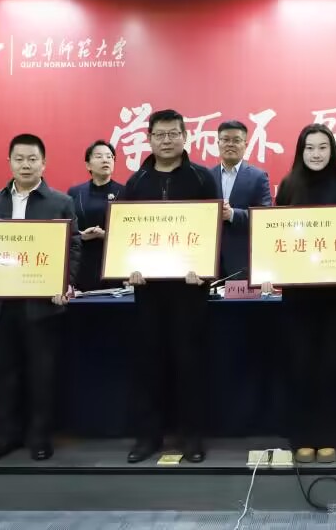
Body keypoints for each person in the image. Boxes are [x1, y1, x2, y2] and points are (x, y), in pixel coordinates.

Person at [0, 133, 80, 462]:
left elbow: (74, 247)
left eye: (32, 159)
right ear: (9, 162)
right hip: (0, 304)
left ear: (43, 163)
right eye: (19, 159)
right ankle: (5, 435)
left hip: (42, 304)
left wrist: (65, 283)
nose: (25, 165)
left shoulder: (60, 202)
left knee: (41, 371)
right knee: (1, 370)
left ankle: (39, 435)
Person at [120, 108, 221, 464]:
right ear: (149, 139)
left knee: (189, 364)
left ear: (185, 137)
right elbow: (126, 235)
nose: (166, 141)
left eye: (173, 134)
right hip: (148, 290)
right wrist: (128, 269)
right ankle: (148, 437)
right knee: (149, 365)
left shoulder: (202, 178)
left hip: (189, 289)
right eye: (159, 135)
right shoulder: (136, 182)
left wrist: (205, 270)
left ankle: (191, 437)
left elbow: (212, 230)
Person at [264, 123, 336, 464]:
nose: (316, 154)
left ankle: (329, 438)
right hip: (298, 294)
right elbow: (276, 235)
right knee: (301, 365)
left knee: (330, 366)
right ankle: (302, 437)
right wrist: (269, 271)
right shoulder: (288, 186)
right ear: (301, 152)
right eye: (310, 148)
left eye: (323, 147)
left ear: (332, 151)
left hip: (335, 295)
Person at [210, 120, 272, 280]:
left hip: (242, 262)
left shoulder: (258, 177)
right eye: (225, 139)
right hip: (210, 259)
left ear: (245, 145)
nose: (230, 144)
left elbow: (265, 217)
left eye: (236, 140)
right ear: (218, 143)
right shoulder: (207, 176)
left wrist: (232, 214)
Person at [67, 140, 123, 292]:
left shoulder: (125, 192)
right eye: (99, 156)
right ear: (88, 165)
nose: (105, 160)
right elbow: (67, 229)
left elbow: (130, 234)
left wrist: (105, 235)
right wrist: (80, 235)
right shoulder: (75, 193)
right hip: (82, 264)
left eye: (109, 157)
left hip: (113, 265)